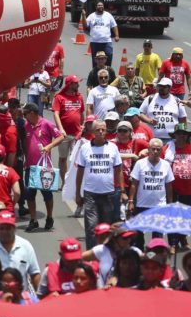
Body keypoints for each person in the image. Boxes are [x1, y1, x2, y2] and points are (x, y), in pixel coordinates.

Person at [75, 120, 124, 249]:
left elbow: (118, 170)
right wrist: (77, 194)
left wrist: (122, 191)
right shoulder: (85, 148)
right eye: (98, 130)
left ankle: (106, 253)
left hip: (108, 194)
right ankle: (92, 256)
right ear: (92, 132)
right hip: (90, 194)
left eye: (103, 129)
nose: (101, 132)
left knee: (106, 228)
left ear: (106, 131)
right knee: (91, 227)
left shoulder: (113, 147)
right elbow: (79, 172)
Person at [22, 102, 63, 232]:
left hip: (44, 167)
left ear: (32, 113)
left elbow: (61, 136)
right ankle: (33, 220)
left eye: (25, 114)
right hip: (30, 166)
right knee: (29, 194)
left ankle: (49, 217)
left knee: (47, 194)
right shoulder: (26, 125)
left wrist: (49, 146)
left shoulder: (46, 124)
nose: (24, 116)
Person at [129, 138, 174, 249]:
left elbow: (168, 186)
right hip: (141, 204)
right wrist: (131, 201)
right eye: (153, 149)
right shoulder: (140, 163)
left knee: (157, 236)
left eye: (158, 149)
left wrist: (170, 204)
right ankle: (139, 254)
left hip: (159, 205)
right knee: (138, 233)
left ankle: (155, 257)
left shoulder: (165, 165)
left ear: (161, 151)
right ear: (148, 149)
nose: (155, 151)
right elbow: (134, 184)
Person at [0, 211, 41, 291]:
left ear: (14, 228)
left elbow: (35, 273)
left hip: (20, 298)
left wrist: (40, 298)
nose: (5, 232)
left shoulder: (26, 246)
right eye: (1, 228)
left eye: (8, 228)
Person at [53, 75, 85, 182]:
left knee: (76, 160)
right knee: (63, 158)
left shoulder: (79, 97)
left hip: (77, 134)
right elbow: (56, 114)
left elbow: (81, 113)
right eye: (75, 83)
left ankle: (74, 182)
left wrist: (82, 126)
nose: (78, 85)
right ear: (69, 84)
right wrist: (61, 129)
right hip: (64, 135)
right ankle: (64, 182)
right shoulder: (59, 98)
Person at [139, 77, 187, 142]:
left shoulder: (177, 101)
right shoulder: (150, 98)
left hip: (172, 139)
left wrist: (182, 136)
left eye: (164, 87)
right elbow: (140, 113)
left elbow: (183, 119)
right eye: (160, 86)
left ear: (170, 88)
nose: (161, 88)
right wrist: (149, 120)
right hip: (153, 138)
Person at [85, 1, 119, 67]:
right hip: (95, 42)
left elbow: (114, 26)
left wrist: (117, 35)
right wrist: (83, 15)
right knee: (96, 61)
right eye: (99, 5)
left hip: (106, 42)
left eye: (101, 5)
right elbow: (85, 26)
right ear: (96, 7)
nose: (100, 6)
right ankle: (95, 75)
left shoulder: (108, 15)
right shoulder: (91, 16)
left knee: (108, 57)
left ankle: (108, 73)